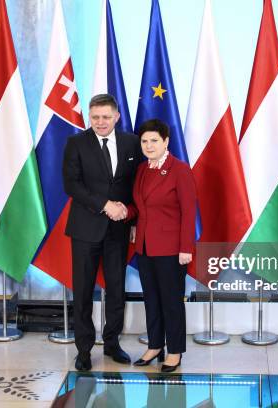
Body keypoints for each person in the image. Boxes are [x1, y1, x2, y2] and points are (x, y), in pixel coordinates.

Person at [63, 94, 143, 371]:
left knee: (116, 289)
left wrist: (128, 212)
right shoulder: (76, 143)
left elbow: (138, 184)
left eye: (106, 117)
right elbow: (71, 185)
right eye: (95, 117)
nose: (100, 122)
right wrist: (105, 205)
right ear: (89, 116)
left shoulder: (133, 142)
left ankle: (112, 343)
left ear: (116, 117)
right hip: (85, 228)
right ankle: (83, 350)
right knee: (83, 291)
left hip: (118, 229)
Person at [126, 119, 197, 372]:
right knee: (151, 300)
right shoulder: (143, 170)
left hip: (171, 249)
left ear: (166, 141)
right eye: (144, 141)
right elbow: (140, 206)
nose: (148, 145)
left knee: (171, 301)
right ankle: (155, 345)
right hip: (144, 246)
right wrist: (125, 212)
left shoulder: (179, 169)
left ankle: (175, 351)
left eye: (154, 140)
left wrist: (186, 247)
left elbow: (189, 213)